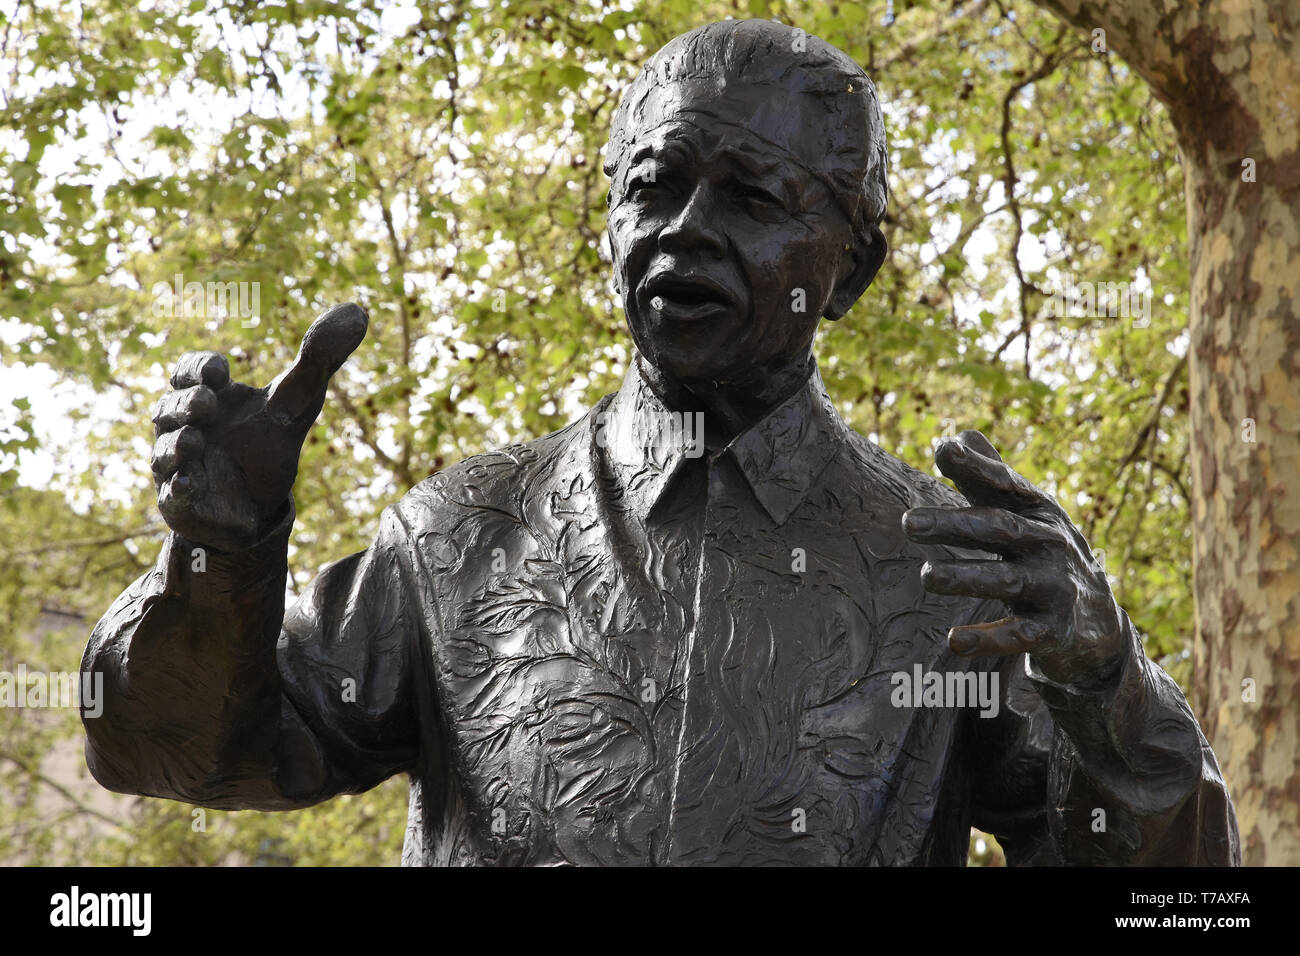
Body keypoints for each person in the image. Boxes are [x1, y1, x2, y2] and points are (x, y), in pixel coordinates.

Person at [82, 18, 1239, 866]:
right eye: (656, 183)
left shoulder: (951, 573)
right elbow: (176, 756)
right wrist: (217, 558)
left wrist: (1104, 686)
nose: (686, 228)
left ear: (848, 272)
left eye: (751, 194)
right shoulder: (456, 536)